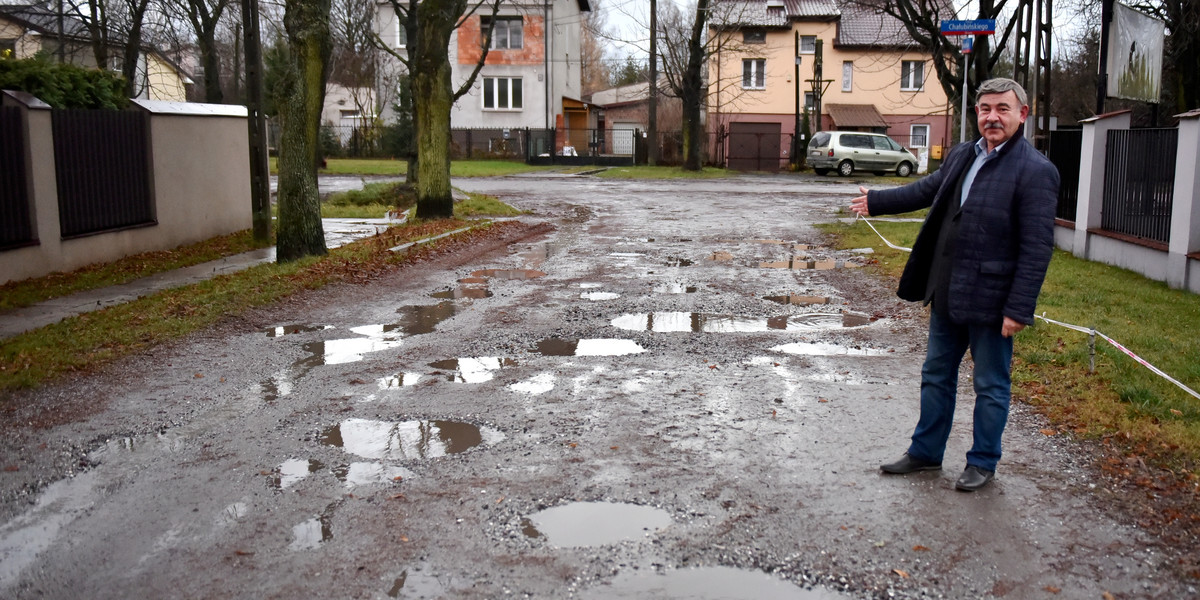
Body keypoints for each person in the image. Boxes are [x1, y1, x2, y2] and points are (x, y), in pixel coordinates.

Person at [849, 78, 1060, 492]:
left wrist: (1019, 308)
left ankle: (982, 462)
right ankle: (925, 454)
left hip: (993, 300)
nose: (992, 117)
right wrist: (876, 200)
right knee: (936, 375)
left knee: (990, 384)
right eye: (985, 109)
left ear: (1022, 113)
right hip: (947, 289)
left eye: (1002, 109)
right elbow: (927, 190)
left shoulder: (1036, 171)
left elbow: (1037, 247)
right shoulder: (964, 154)